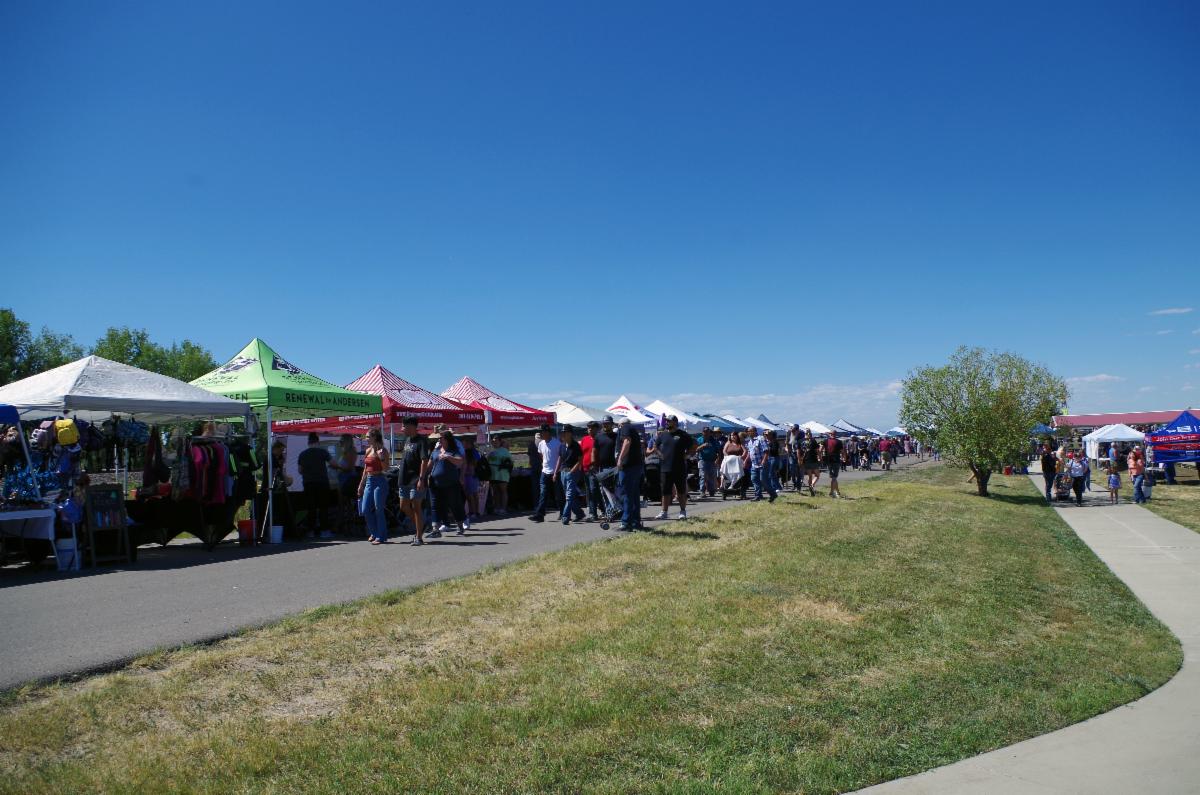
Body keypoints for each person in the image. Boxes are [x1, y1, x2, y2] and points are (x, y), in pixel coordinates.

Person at [653, 416, 696, 520]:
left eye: (669, 421)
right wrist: (660, 455)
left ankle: (682, 512)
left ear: (675, 422)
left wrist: (687, 455)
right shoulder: (663, 434)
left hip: (679, 467)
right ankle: (664, 512)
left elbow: (693, 446)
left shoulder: (683, 435)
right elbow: (655, 446)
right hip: (665, 467)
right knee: (665, 491)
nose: (667, 422)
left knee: (681, 491)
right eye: (666, 421)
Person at [396, 417, 430, 545]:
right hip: (404, 479)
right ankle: (421, 524)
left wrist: (421, 479)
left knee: (416, 507)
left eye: (403, 426)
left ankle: (418, 537)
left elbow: (424, 460)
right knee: (403, 506)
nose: (402, 429)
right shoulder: (407, 440)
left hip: (416, 480)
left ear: (411, 426)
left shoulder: (421, 441)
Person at [429, 430, 468, 535]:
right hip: (435, 483)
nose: (439, 439)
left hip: (451, 483)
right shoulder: (436, 450)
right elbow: (429, 464)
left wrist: (448, 457)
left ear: (446, 439)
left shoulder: (453, 451)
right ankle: (435, 529)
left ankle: (460, 527)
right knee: (435, 506)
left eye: (441, 438)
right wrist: (423, 476)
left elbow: (460, 461)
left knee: (454, 505)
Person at [297, 432, 333, 539]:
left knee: (311, 508)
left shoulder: (302, 454)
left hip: (308, 483)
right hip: (322, 483)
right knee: (323, 507)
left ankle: (311, 531)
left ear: (308, 442)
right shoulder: (323, 452)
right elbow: (333, 463)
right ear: (317, 442)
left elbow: (300, 470)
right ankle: (324, 531)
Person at [357, 429, 391, 545]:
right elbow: (365, 469)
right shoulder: (368, 450)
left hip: (380, 480)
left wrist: (381, 458)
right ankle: (374, 532)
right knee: (365, 509)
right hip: (369, 481)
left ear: (375, 437)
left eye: (368, 437)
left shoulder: (383, 451)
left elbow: (386, 469)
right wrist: (361, 484)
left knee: (378, 509)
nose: (366, 438)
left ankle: (381, 536)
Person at [257, 439, 294, 541]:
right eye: (281, 450)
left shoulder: (276, 458)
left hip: (275, 486)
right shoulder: (270, 458)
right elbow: (277, 471)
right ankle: (264, 533)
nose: (282, 453)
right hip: (267, 486)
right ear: (275, 449)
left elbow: (280, 471)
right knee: (266, 512)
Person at [616, 418, 644, 531]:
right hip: (636, 466)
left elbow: (627, 441)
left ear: (621, 424)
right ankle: (635, 522)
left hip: (628, 467)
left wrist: (620, 459)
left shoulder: (625, 428)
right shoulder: (633, 429)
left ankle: (626, 521)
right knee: (634, 495)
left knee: (626, 494)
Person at [530, 425, 562, 522]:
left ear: (548, 432)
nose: (541, 433)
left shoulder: (557, 443)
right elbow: (542, 455)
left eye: (542, 431)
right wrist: (545, 466)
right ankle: (540, 515)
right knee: (543, 493)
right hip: (545, 472)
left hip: (556, 472)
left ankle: (563, 512)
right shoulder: (541, 444)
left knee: (558, 494)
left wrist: (556, 471)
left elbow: (561, 457)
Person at [556, 426, 585, 525]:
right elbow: (560, 459)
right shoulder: (562, 445)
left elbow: (580, 460)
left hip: (573, 472)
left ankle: (565, 516)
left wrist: (572, 471)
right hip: (563, 472)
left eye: (565, 432)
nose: (563, 434)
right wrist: (556, 472)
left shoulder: (576, 446)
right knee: (569, 496)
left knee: (569, 496)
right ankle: (579, 513)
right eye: (562, 432)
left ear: (570, 433)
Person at [332, 434, 359, 534]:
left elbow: (349, 468)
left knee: (343, 504)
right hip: (343, 479)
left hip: (348, 480)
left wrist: (337, 467)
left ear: (347, 441)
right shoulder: (346, 452)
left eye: (342, 441)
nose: (340, 442)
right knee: (344, 504)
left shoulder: (351, 451)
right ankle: (345, 526)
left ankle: (340, 526)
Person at [486, 436, 512, 515]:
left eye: (496, 441)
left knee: (503, 491)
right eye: (493, 441)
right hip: (493, 474)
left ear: (500, 442)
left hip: (502, 474)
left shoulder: (504, 451)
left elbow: (509, 462)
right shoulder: (490, 451)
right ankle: (497, 507)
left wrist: (503, 464)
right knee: (495, 491)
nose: (495, 443)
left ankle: (503, 508)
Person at [695, 427, 721, 498]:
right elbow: (695, 449)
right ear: (702, 432)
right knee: (703, 476)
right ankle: (702, 492)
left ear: (710, 433)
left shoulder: (714, 440)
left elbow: (718, 451)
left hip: (712, 461)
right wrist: (702, 446)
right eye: (704, 431)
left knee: (711, 477)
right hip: (702, 460)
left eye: (707, 432)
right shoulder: (699, 440)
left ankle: (711, 491)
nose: (706, 433)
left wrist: (718, 459)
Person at [720, 431, 746, 499]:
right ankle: (726, 487)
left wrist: (742, 457)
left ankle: (737, 489)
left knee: (738, 475)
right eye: (731, 435)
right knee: (725, 473)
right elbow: (724, 451)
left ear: (737, 436)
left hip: (737, 462)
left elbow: (745, 451)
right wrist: (727, 456)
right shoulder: (728, 443)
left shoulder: (740, 444)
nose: (733, 436)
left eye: (734, 435)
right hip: (728, 461)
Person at [824, 433, 845, 498]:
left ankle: (835, 492)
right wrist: (844, 457)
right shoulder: (839, 441)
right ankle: (834, 492)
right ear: (836, 434)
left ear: (830, 434)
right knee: (834, 477)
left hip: (829, 461)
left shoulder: (826, 441)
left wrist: (819, 457)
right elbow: (842, 451)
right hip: (836, 461)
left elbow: (820, 449)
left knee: (833, 477)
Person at [802, 430, 821, 497]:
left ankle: (810, 486)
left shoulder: (802, 442)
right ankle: (812, 485)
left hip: (805, 460)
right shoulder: (813, 441)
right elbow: (817, 450)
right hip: (813, 460)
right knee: (817, 475)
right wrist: (820, 457)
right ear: (811, 434)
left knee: (809, 475)